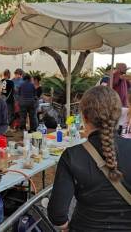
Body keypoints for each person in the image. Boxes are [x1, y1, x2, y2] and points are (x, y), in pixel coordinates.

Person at [48, 86, 131, 231]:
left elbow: (57, 213)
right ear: (118, 115)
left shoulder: (72, 155)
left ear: (84, 117)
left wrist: (65, 227)